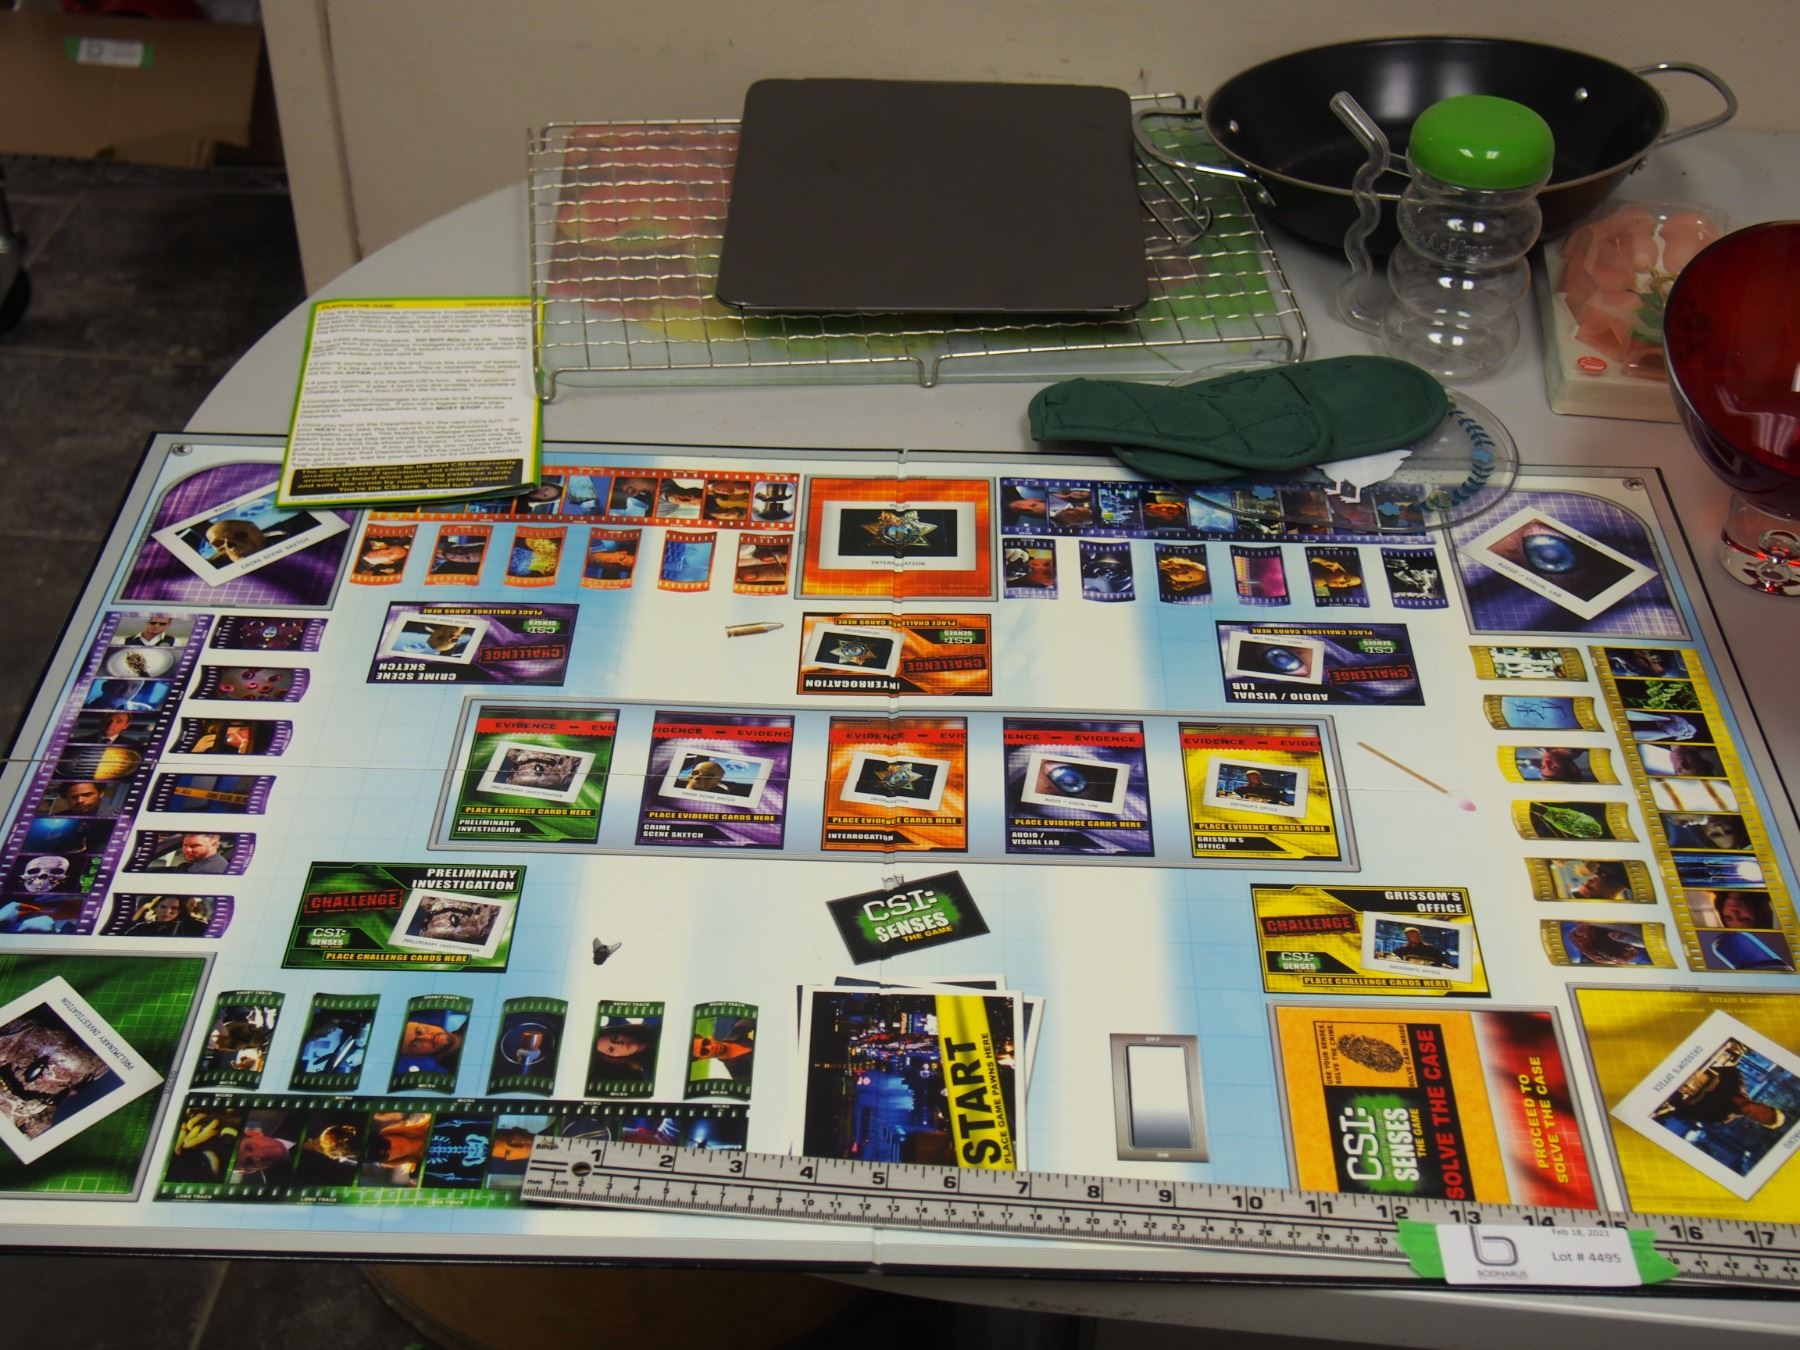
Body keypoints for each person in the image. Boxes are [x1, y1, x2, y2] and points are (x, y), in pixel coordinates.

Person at [124, 896, 209, 938]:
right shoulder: (140, 928)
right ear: (155, 908)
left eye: (174, 908)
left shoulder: (196, 927)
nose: (167, 912)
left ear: (180, 911)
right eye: (163, 907)